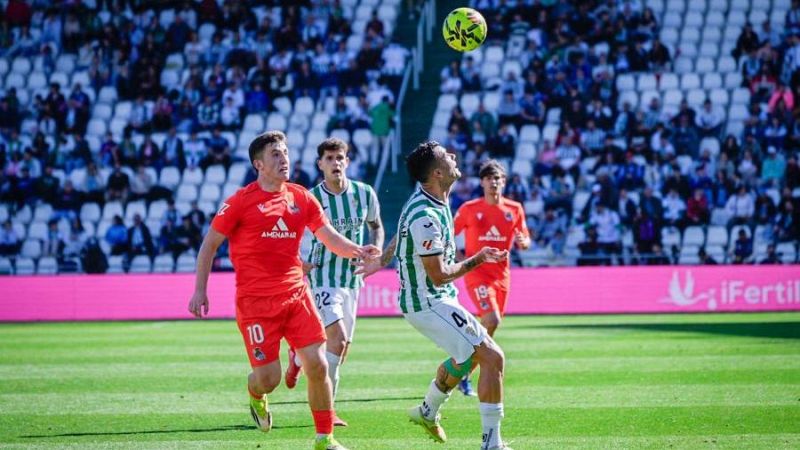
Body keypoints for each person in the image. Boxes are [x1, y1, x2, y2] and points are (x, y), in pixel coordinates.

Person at [187, 131, 379, 450]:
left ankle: (325, 438)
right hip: (256, 305)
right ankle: (256, 394)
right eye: (275, 154)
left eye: (286, 152)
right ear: (259, 165)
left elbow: (329, 237)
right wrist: (199, 291)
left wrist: (358, 250)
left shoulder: (301, 197)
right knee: (269, 379)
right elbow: (209, 246)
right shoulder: (239, 202)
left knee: (318, 363)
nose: (284, 158)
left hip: (296, 296)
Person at [360, 141, 511, 449]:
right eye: (446, 156)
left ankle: (427, 411)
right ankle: (491, 444)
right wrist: (479, 258)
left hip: (438, 297)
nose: (454, 156)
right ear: (438, 173)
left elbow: (402, 234)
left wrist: (383, 260)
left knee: (467, 357)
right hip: (427, 302)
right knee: (492, 357)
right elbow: (439, 274)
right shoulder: (425, 214)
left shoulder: (430, 200)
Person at [284, 138, 384, 427]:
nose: (335, 163)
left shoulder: (364, 193)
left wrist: (376, 250)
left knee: (341, 348)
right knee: (336, 340)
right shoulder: (311, 198)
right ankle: (328, 412)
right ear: (320, 164)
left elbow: (376, 225)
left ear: (347, 162)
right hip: (323, 278)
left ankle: (297, 358)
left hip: (351, 280)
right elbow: (288, 230)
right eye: (329, 158)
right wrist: (298, 260)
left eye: (340, 157)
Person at [452, 160, 530, 396]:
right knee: (492, 320)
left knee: (488, 327)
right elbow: (448, 234)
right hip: (477, 274)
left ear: (503, 182)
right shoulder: (469, 208)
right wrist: (461, 259)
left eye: (497, 178)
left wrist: (524, 242)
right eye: (488, 178)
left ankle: (462, 370)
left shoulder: (514, 209)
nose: (493, 182)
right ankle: (463, 371)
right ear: (482, 182)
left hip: (502, 277)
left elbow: (525, 240)